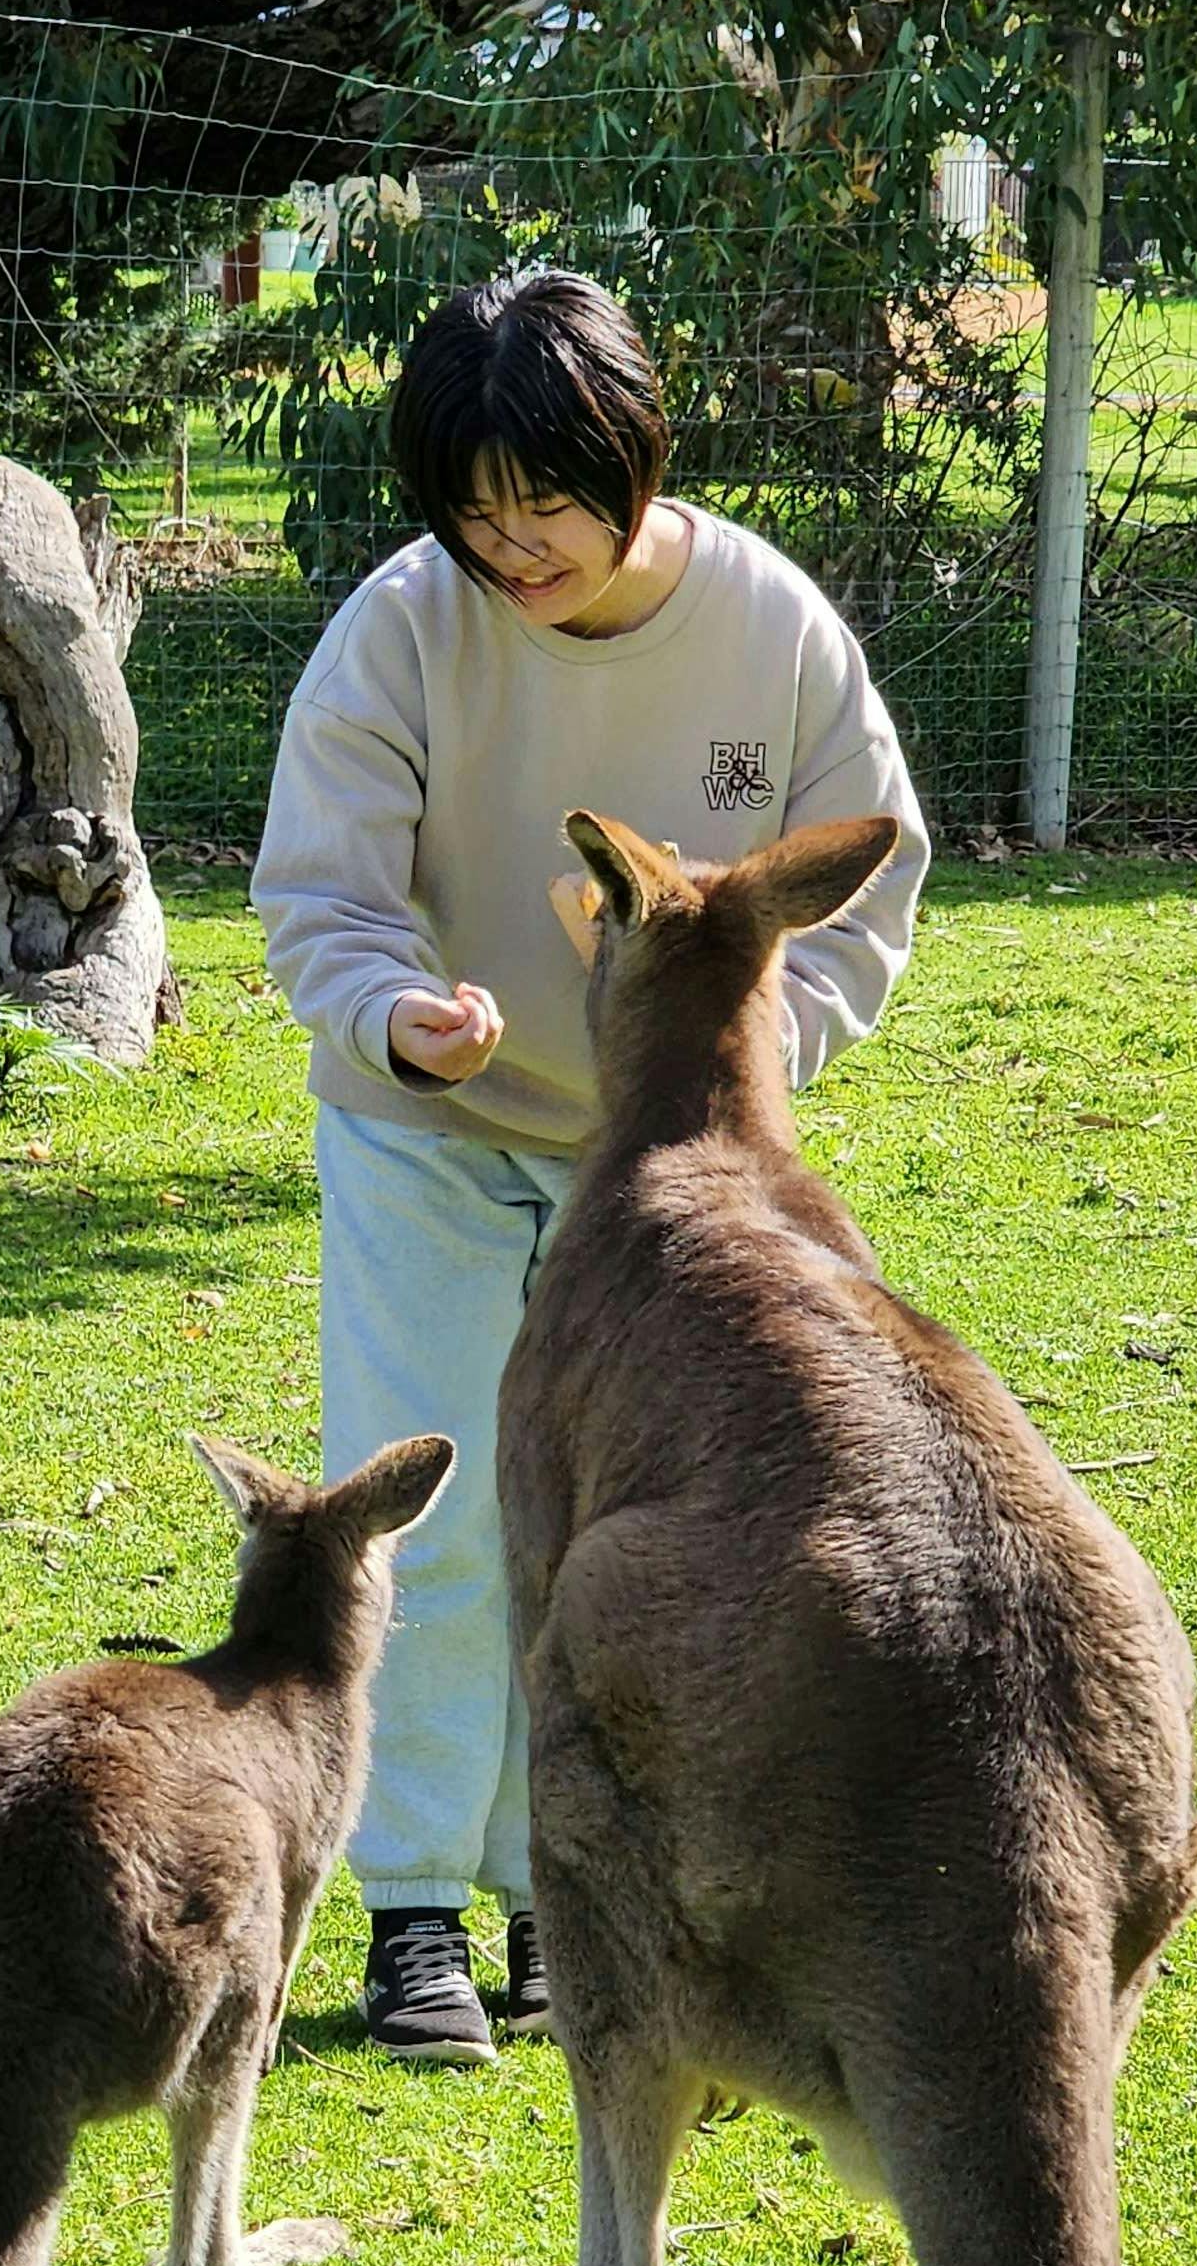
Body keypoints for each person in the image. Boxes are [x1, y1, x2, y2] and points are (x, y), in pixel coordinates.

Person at [252, 272, 929, 2063]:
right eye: (472, 517)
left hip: (676, 1181)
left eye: (540, 506)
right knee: (433, 1512)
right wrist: (400, 1016)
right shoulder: (406, 629)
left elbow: (871, 886)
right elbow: (318, 892)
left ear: (631, 464)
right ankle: (412, 1914)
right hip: (440, 1135)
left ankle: (560, 1891)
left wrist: (738, 1057)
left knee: (616, 1538)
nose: (511, 548)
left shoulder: (766, 626)